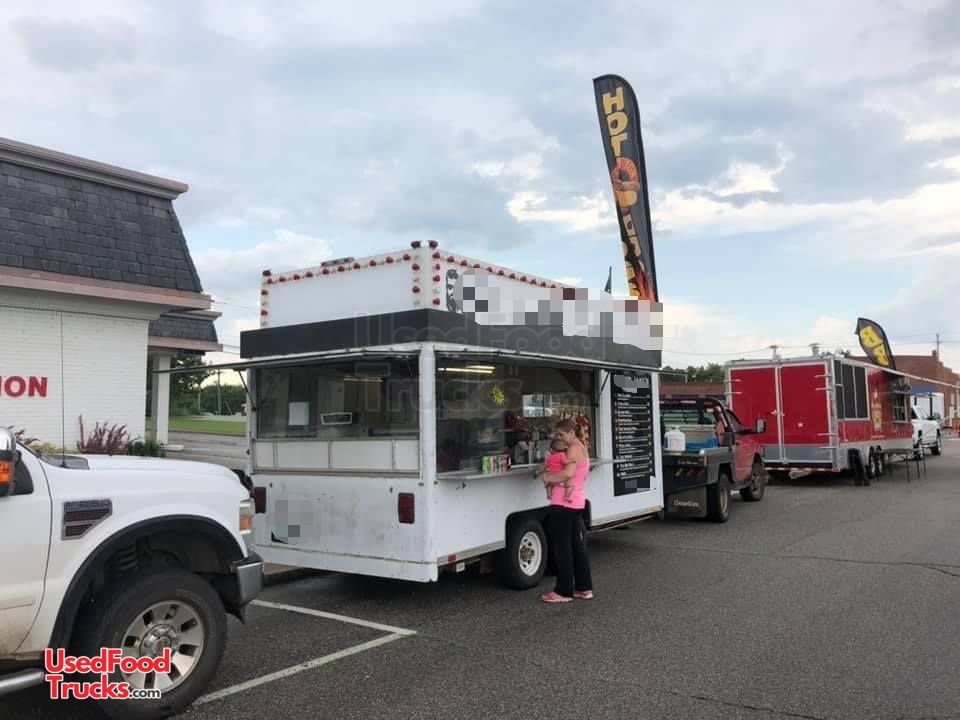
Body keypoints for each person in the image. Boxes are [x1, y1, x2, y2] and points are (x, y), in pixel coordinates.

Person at [539, 419, 593, 603]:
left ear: (571, 432)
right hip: (576, 502)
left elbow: (567, 473)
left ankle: (563, 591)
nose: (559, 437)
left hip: (563, 503)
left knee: (563, 548)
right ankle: (584, 587)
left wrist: (548, 478)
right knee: (576, 547)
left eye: (561, 434)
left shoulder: (573, 449)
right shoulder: (581, 447)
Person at [535, 437, 573, 502]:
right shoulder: (561, 454)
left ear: (551, 449)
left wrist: (538, 472)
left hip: (551, 478)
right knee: (570, 486)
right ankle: (567, 496)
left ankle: (549, 494)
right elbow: (565, 462)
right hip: (559, 478)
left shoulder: (548, 458)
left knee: (548, 485)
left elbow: (545, 467)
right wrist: (572, 460)